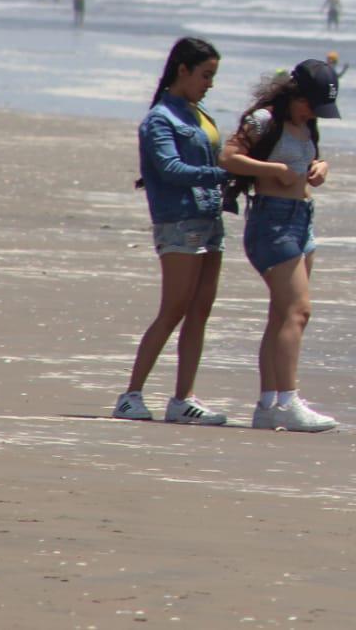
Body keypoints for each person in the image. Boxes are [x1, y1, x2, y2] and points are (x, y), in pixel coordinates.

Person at [115, 37, 233, 424]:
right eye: (205, 75)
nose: (209, 84)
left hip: (210, 220)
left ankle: (183, 399)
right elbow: (170, 169)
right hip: (179, 220)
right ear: (182, 69)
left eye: (213, 76)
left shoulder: (200, 114)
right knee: (173, 310)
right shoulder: (159, 119)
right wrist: (224, 174)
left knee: (200, 311)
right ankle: (131, 395)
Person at [222, 59, 341, 432]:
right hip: (272, 222)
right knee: (299, 311)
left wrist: (321, 168)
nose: (312, 113)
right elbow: (228, 157)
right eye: (310, 104)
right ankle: (288, 401)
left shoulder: (308, 124)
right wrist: (273, 170)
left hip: (302, 220)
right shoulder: (263, 120)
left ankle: (268, 404)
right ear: (294, 93)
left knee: (282, 315)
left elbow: (309, 160)